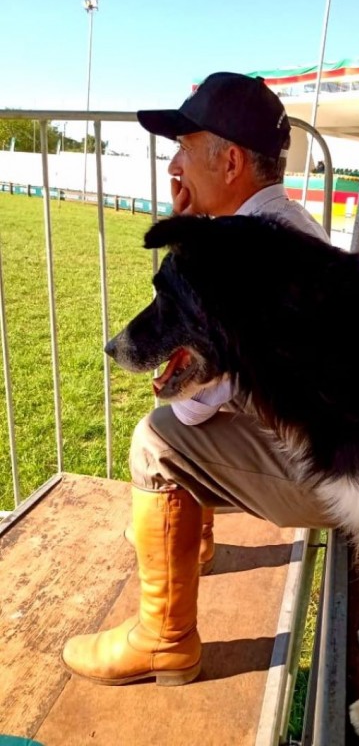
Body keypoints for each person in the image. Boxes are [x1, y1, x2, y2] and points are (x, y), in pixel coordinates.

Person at [61, 72, 336, 686]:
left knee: (156, 440)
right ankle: (195, 548)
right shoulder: (284, 225)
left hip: (337, 484)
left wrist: (189, 244)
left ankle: (165, 639)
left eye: (185, 147)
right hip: (349, 463)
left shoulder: (238, 254)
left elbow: (192, 409)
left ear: (231, 160)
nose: (175, 165)